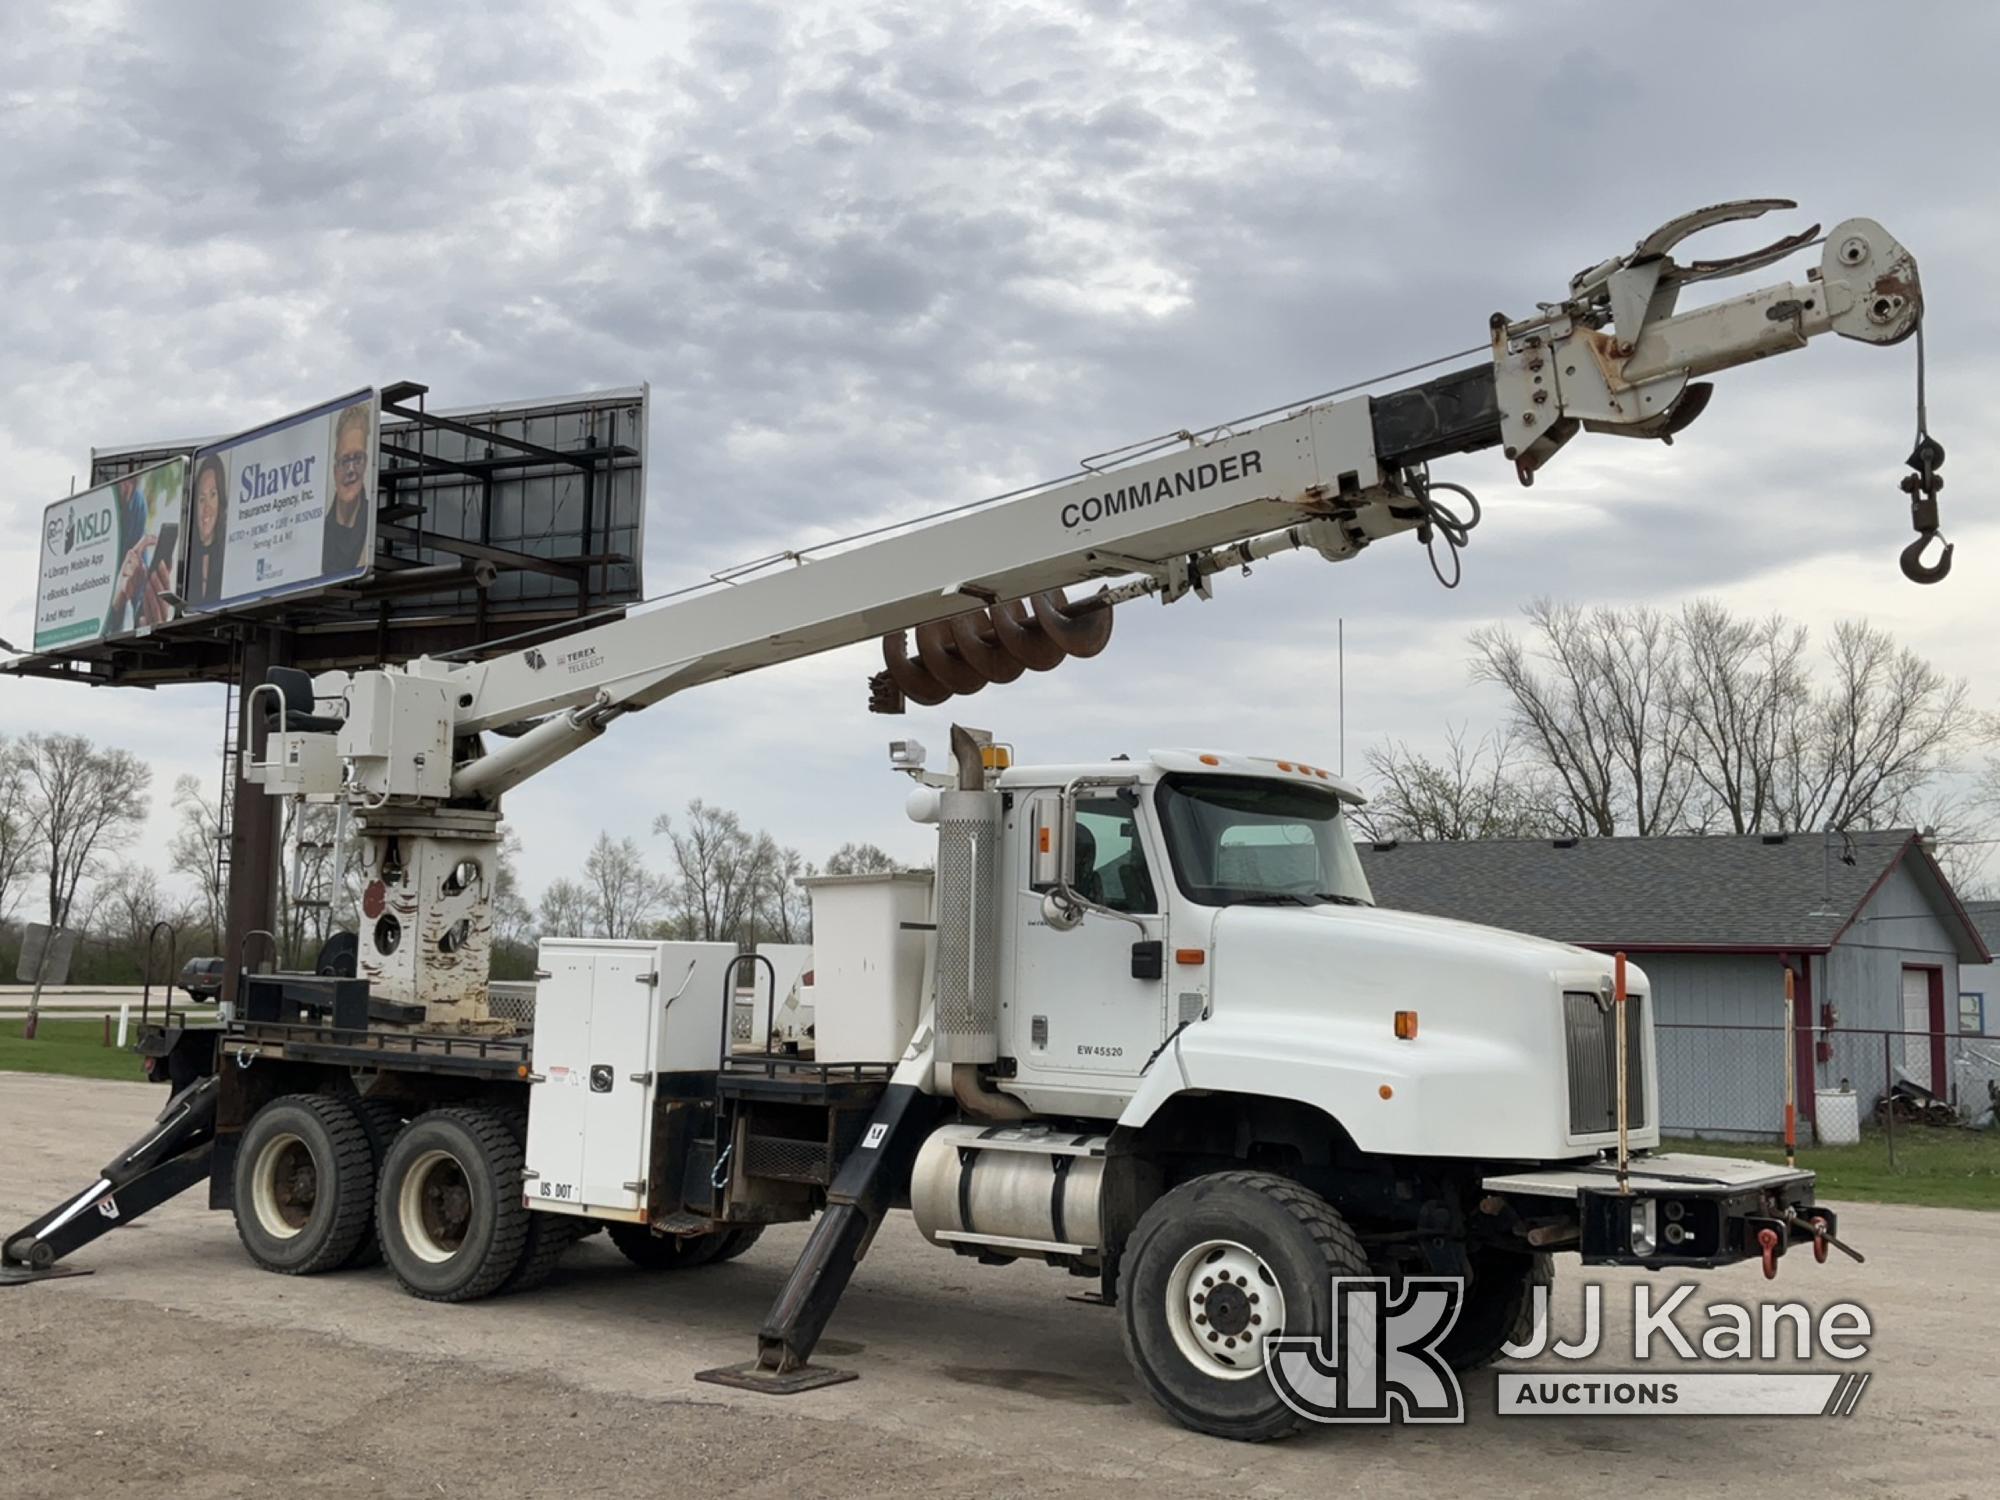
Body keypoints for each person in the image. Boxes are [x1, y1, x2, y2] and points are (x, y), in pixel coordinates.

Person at [321, 402, 373, 576]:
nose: (351, 470)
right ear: (335, 468)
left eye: (357, 458)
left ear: (366, 464)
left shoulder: (372, 524)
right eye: (345, 460)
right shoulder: (319, 532)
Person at [185, 454, 229, 609]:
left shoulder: (229, 559)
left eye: (213, 495)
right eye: (202, 499)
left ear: (221, 500)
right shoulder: (186, 565)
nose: (207, 509)